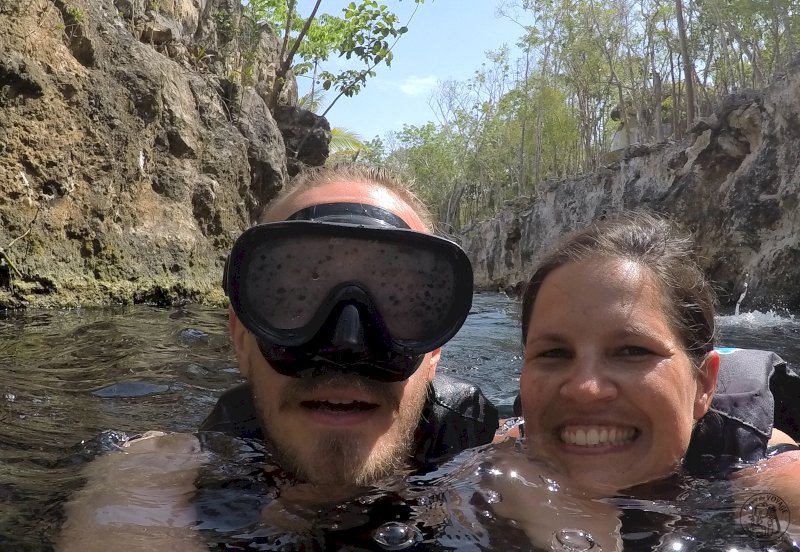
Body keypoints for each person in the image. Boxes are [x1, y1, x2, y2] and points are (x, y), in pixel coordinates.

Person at [57, 162, 498, 551]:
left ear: (435, 349)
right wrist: (134, 479)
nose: (346, 344)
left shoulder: (478, 438)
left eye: (398, 303)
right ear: (242, 338)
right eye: (294, 298)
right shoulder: (185, 461)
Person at [486, 211, 800, 549]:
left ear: (704, 385)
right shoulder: (497, 458)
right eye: (554, 354)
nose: (584, 389)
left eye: (632, 351)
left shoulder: (772, 483)